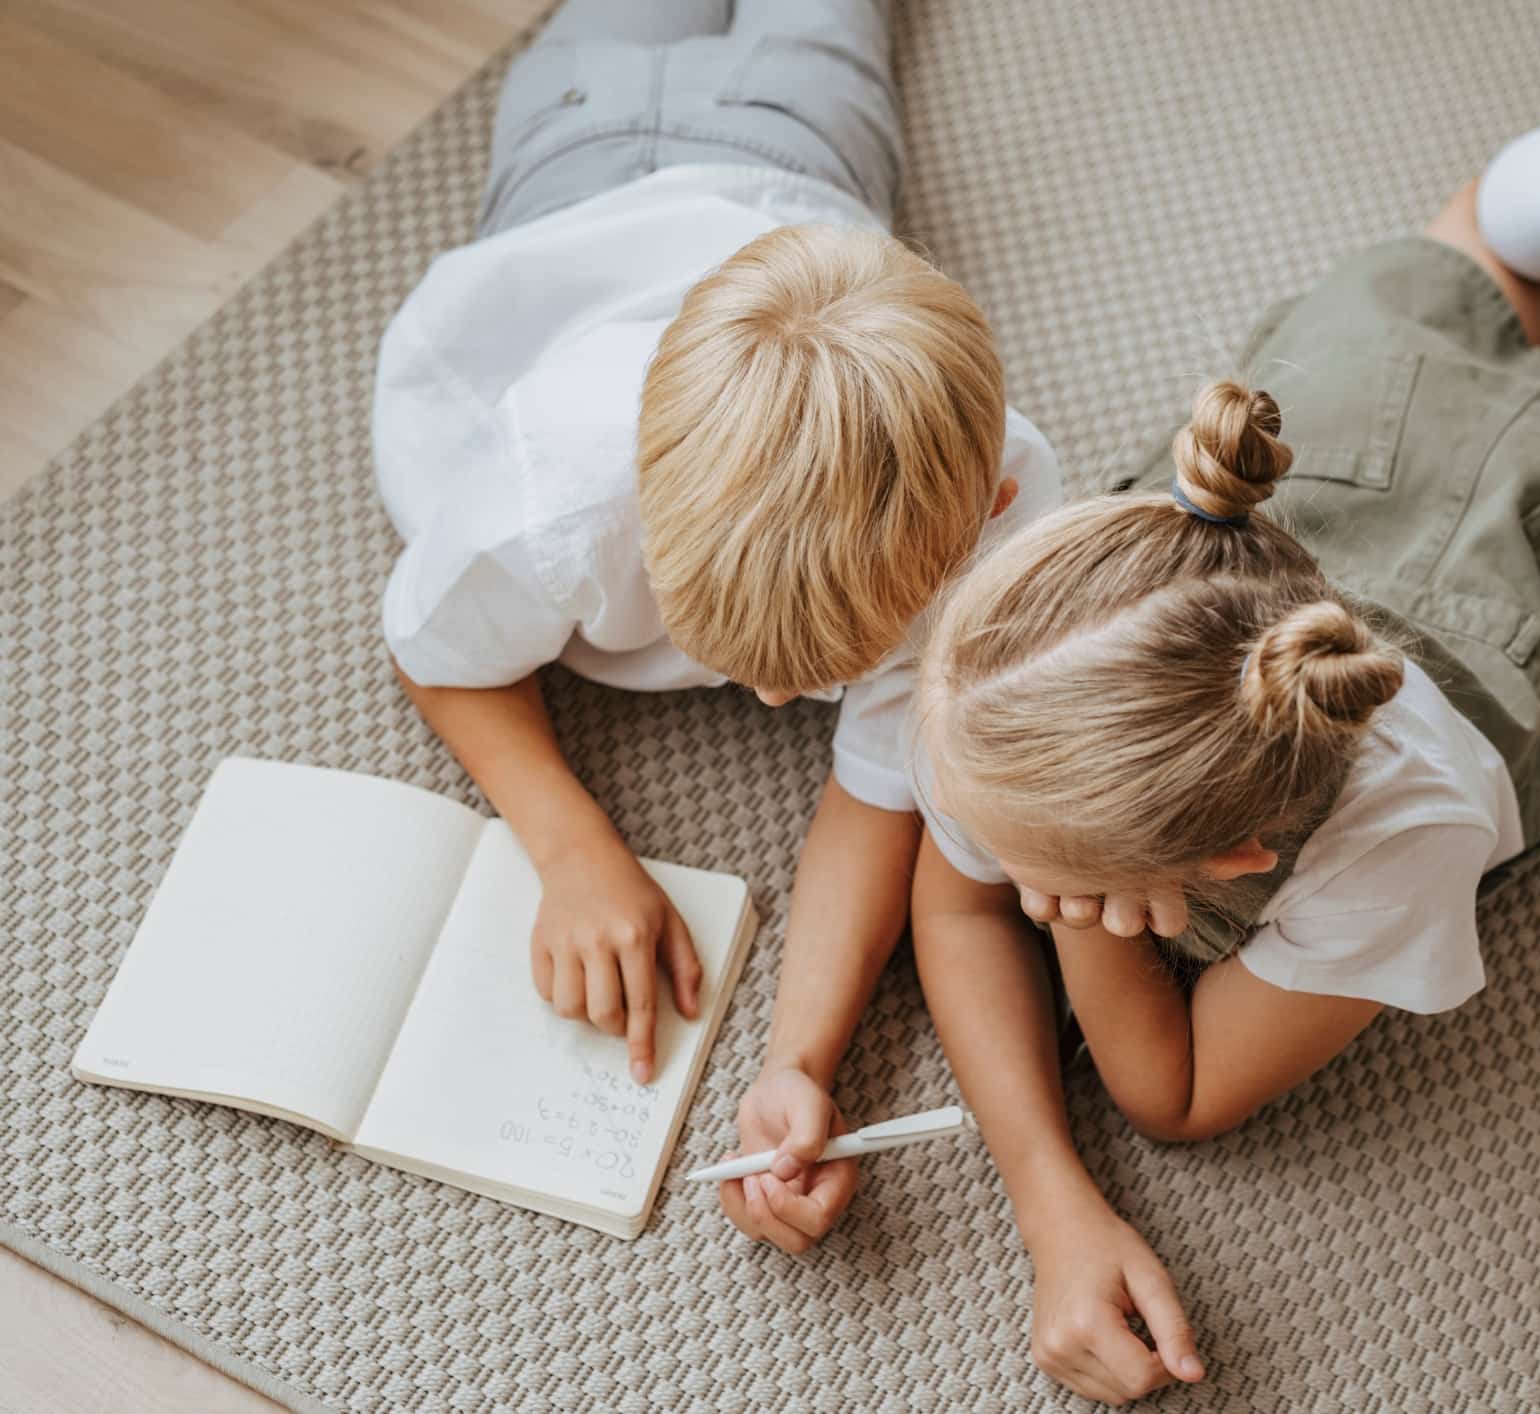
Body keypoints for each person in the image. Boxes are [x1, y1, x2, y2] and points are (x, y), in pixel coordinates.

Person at [907, 0, 1540, 1401]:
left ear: (1225, 864)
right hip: (1339, 442)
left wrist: (1083, 929)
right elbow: (951, 893)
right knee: (1486, 253)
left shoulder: (1403, 839)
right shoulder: (1061, 660)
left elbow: (1172, 1096)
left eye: (1045, 874)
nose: (971, 847)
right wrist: (1051, 1194)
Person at [369, 0, 1062, 1253]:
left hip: (803, 145)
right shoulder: (558, 496)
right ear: (639, 512)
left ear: (987, 513)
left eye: (814, 676)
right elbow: (434, 651)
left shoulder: (1000, 508)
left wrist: (800, 1055)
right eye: (737, 660)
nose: (767, 707)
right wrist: (572, 844)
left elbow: (880, 789)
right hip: (574, 147)